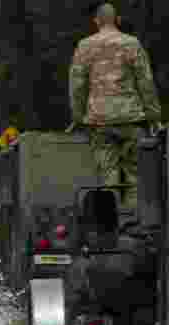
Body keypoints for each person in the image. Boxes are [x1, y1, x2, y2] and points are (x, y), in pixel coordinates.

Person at [69, 3, 162, 220]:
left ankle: (110, 224)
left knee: (107, 174)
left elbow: (77, 85)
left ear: (96, 21)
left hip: (99, 121)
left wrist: (77, 116)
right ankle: (133, 222)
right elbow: (145, 83)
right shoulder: (132, 44)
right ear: (117, 19)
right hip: (132, 120)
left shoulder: (85, 46)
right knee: (134, 176)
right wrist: (154, 116)